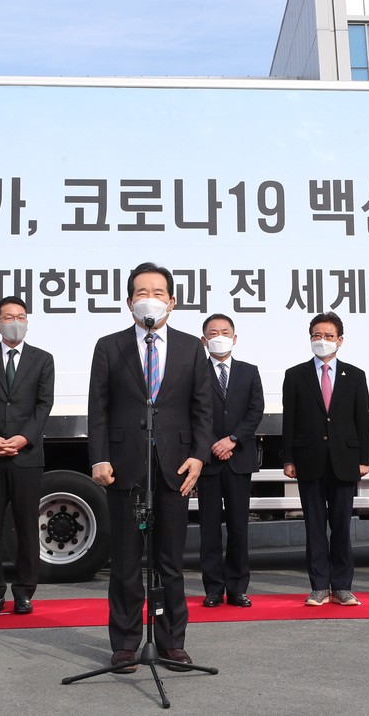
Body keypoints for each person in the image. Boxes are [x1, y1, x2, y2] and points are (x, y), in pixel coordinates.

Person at [87, 262, 214, 673]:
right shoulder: (110, 346)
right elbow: (99, 409)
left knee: (170, 562)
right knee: (125, 562)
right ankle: (125, 644)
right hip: (124, 466)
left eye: (158, 292)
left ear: (172, 302)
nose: (150, 298)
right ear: (128, 302)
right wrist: (99, 457)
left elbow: (202, 408)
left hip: (175, 466)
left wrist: (199, 454)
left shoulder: (192, 348)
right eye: (142, 291)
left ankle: (172, 642)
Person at [0, 296, 54, 616]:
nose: (15, 322)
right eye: (8, 317)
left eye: (21, 316)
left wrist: (23, 438)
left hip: (26, 455)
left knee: (26, 526)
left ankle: (24, 591)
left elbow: (44, 404)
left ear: (27, 321)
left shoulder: (43, 360)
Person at [281, 312, 369, 607]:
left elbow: (362, 421)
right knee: (315, 527)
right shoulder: (295, 375)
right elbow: (289, 421)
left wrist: (364, 458)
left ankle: (343, 586)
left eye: (328, 336)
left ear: (340, 340)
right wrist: (288, 458)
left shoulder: (355, 375)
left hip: (345, 461)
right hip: (309, 461)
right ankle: (319, 586)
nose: (322, 341)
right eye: (317, 336)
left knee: (342, 527)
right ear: (310, 339)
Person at [197, 313, 264, 608]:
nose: (219, 336)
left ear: (235, 339)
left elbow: (255, 411)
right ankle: (213, 588)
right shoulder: (195, 371)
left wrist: (233, 440)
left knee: (239, 526)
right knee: (209, 528)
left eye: (225, 332)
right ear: (204, 340)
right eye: (213, 332)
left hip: (238, 459)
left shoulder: (249, 371)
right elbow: (193, 413)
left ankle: (237, 587)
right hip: (209, 460)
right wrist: (213, 443)